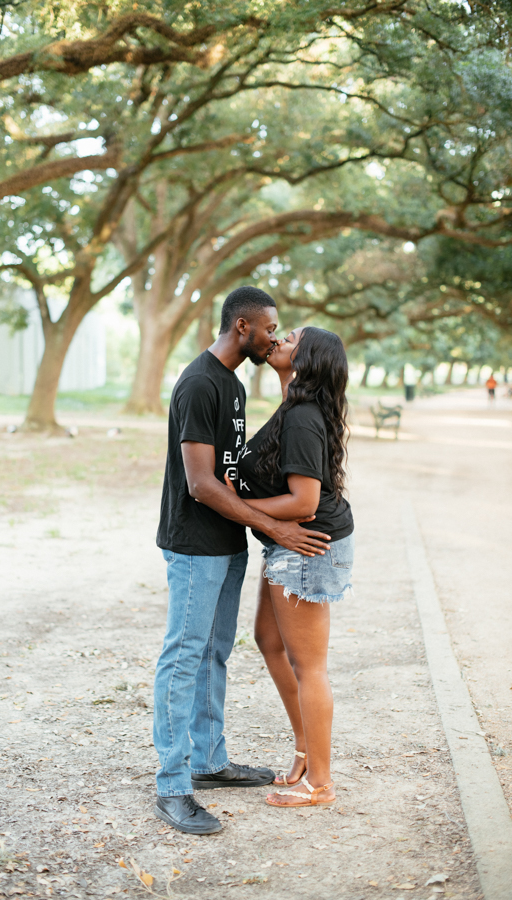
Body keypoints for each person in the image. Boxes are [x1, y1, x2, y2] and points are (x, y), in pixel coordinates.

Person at [153, 287, 331, 835]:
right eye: (269, 328)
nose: (275, 336)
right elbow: (202, 485)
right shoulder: (199, 383)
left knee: (214, 653)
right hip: (193, 543)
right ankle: (173, 785)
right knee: (184, 657)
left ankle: (209, 762)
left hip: (228, 542)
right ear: (242, 328)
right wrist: (276, 524)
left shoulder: (231, 383)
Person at [226, 325, 353, 808]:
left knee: (309, 665)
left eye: (292, 336)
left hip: (305, 545)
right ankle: (305, 749)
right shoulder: (295, 405)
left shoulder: (301, 416)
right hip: (289, 543)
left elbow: (305, 500)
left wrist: (241, 506)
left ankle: (319, 782)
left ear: (309, 359)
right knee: (269, 640)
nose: (279, 338)